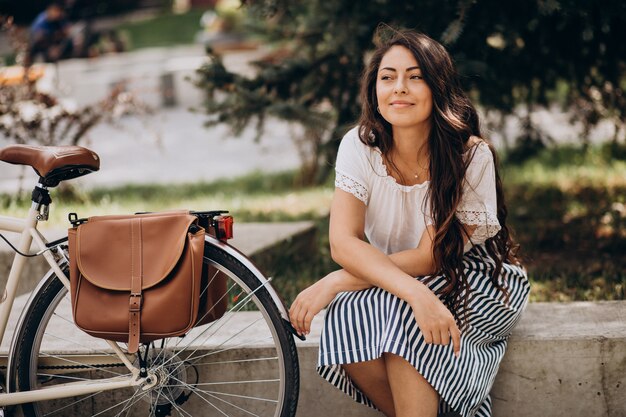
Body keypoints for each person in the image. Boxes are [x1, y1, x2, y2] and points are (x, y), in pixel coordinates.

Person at [289, 29, 530, 417]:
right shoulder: (358, 146)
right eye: (387, 77)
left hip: (474, 274)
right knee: (345, 317)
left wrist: (337, 280)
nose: (399, 88)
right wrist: (411, 292)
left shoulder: (470, 156)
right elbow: (344, 244)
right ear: (374, 90)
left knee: (404, 318)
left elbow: (431, 257)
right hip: (391, 276)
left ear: (439, 88)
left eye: (415, 77)